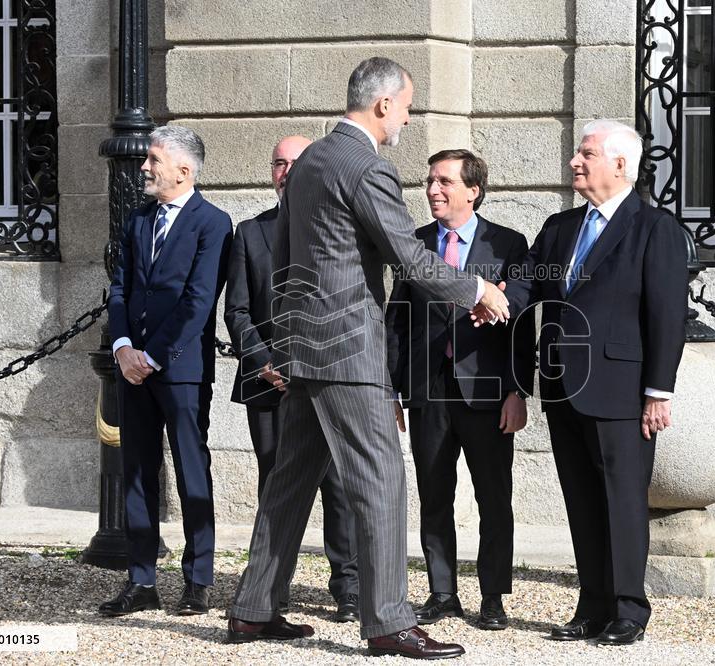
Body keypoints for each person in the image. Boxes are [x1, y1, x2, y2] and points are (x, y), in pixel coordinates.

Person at [225, 57, 509, 659]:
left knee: (290, 483)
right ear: (382, 104)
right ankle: (386, 622)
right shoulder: (366, 167)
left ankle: (252, 610)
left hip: (309, 349)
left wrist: (293, 338)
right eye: (407, 105)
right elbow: (408, 256)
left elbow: (282, 258)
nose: (408, 115)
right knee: (381, 479)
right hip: (351, 353)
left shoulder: (309, 164)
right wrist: (478, 289)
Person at [499, 119, 687, 645]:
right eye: (577, 154)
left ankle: (629, 609)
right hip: (563, 389)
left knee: (623, 500)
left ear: (620, 165)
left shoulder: (656, 229)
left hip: (623, 393)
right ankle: (592, 605)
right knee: (581, 500)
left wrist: (658, 392)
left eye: (586, 154)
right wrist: (492, 301)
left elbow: (666, 317)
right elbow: (526, 282)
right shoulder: (560, 228)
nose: (575, 163)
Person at [385, 149, 534, 631]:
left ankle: (493, 597)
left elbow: (520, 323)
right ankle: (442, 592)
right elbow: (397, 322)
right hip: (428, 392)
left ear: (473, 190)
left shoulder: (508, 244)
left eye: (444, 182)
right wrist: (391, 390)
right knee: (433, 494)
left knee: (494, 498)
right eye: (430, 181)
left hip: (489, 395)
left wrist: (518, 391)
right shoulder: (416, 244)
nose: (433, 190)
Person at [224, 135, 360, 623]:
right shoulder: (249, 233)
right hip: (269, 384)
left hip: (324, 378)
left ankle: (348, 586)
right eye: (277, 162)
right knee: (275, 485)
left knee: (339, 486)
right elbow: (237, 310)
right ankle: (270, 590)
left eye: (294, 162)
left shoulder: (335, 227)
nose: (285, 170)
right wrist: (264, 360)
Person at [103, 125, 232, 617]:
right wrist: (121, 347)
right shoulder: (137, 220)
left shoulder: (212, 223)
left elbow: (199, 301)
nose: (144, 167)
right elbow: (118, 288)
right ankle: (141, 580)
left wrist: (151, 356)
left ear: (184, 169)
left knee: (191, 470)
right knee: (135, 469)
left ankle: (198, 579)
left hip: (178, 369)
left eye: (153, 159)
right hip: (129, 367)